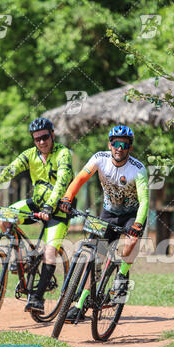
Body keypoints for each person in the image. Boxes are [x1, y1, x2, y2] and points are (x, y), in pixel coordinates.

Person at [0, 118, 73, 313]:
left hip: (58, 210)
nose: (41, 142)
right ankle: (21, 261)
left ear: (52, 135)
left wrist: (49, 207)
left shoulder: (63, 154)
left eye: (45, 137)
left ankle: (37, 298)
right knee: (4, 217)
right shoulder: (29, 155)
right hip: (36, 204)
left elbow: (62, 181)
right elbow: (7, 173)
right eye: (37, 139)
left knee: (49, 252)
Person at [59, 124, 149, 323]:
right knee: (95, 258)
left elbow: (144, 201)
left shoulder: (138, 169)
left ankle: (122, 276)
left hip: (131, 215)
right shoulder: (99, 159)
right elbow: (81, 178)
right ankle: (80, 304)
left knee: (131, 243)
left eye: (124, 145)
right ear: (110, 144)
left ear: (130, 148)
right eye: (115, 144)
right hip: (108, 213)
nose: (119, 148)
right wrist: (67, 197)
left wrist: (138, 225)